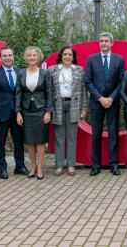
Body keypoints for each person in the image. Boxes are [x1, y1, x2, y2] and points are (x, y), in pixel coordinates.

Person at [0, 47, 30, 179]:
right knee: (0, 142)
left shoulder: (20, 72)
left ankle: (20, 166)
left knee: (19, 141)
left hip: (18, 114)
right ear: (0, 58)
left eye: (10, 55)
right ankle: (3, 168)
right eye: (4, 56)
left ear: (13, 57)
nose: (7, 58)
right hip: (1, 114)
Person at [85, 32, 125, 176]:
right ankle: (96, 165)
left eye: (106, 41)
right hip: (97, 103)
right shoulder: (91, 59)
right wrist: (100, 98)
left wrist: (111, 98)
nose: (103, 43)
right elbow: (88, 81)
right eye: (101, 41)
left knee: (113, 134)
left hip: (113, 103)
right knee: (96, 135)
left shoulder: (119, 59)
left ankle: (114, 164)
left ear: (111, 43)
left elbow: (122, 82)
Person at [48, 45, 87, 177]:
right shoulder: (52, 70)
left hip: (74, 105)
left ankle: (71, 165)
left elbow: (83, 91)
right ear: (61, 56)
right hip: (57, 106)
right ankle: (59, 165)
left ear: (73, 57)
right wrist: (49, 109)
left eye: (70, 55)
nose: (67, 57)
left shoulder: (79, 70)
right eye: (65, 54)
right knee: (59, 137)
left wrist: (84, 109)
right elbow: (49, 91)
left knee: (72, 137)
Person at [15, 46, 53, 180]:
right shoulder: (21, 73)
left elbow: (49, 93)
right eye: (29, 55)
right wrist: (18, 112)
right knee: (30, 141)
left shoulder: (45, 73)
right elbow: (18, 94)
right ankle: (32, 166)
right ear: (26, 58)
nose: (32, 58)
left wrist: (48, 112)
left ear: (38, 58)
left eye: (34, 55)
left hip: (41, 110)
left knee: (40, 140)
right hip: (26, 111)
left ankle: (40, 167)